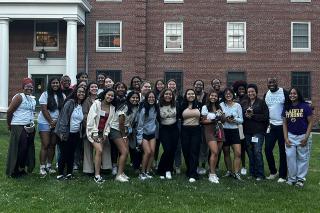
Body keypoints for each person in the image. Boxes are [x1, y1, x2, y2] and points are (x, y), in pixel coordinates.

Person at [6, 78, 36, 177]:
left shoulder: (32, 99)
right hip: (18, 125)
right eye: (27, 86)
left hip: (29, 126)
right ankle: (14, 170)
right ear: (23, 87)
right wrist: (9, 124)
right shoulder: (19, 97)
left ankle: (22, 168)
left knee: (27, 148)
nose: (29, 88)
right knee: (20, 148)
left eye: (31, 87)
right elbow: (9, 111)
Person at [282, 88, 313, 187]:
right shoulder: (287, 107)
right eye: (290, 93)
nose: (292, 95)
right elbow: (284, 123)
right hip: (291, 135)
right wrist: (286, 138)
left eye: (294, 93)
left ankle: (300, 179)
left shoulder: (305, 106)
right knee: (290, 157)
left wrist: (306, 138)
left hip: (302, 135)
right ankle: (291, 178)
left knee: (302, 158)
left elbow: (311, 122)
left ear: (298, 95)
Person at [55, 86, 86, 180]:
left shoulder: (81, 105)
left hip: (75, 133)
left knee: (71, 154)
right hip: (65, 132)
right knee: (64, 154)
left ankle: (69, 173)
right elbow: (63, 118)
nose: (81, 93)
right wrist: (62, 133)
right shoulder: (70, 103)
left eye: (83, 92)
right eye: (79, 92)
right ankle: (60, 174)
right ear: (75, 92)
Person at [109, 91, 140, 182]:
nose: (135, 99)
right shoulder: (125, 107)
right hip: (116, 130)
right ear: (129, 98)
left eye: (137, 98)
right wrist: (124, 136)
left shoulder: (135, 107)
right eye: (133, 98)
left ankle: (121, 172)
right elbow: (121, 123)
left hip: (125, 131)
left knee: (125, 153)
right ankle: (118, 176)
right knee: (124, 152)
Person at [86, 88, 116, 183]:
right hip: (92, 131)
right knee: (99, 150)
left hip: (102, 134)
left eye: (112, 96)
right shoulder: (96, 104)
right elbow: (90, 119)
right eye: (108, 95)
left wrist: (106, 134)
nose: (110, 97)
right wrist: (94, 133)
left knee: (99, 152)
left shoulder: (112, 108)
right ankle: (97, 175)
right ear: (104, 94)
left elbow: (110, 123)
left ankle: (97, 172)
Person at [38, 77, 65, 176]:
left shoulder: (62, 95)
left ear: (59, 84)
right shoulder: (44, 94)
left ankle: (49, 166)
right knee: (45, 144)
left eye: (57, 83)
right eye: (53, 83)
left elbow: (63, 110)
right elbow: (44, 110)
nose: (55, 85)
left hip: (57, 122)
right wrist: (51, 122)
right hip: (44, 122)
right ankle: (42, 167)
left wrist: (56, 122)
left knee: (53, 144)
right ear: (50, 84)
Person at [242, 84, 269, 181]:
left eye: (252, 91)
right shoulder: (244, 103)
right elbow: (241, 116)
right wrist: (246, 115)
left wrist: (253, 115)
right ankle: (252, 173)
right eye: (249, 92)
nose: (250, 93)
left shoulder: (261, 103)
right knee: (250, 152)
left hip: (258, 132)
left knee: (257, 151)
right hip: (247, 131)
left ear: (256, 92)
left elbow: (265, 117)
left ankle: (260, 174)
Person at [264, 77, 289, 183]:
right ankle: (273, 172)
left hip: (282, 126)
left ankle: (283, 175)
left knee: (283, 151)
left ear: (277, 82)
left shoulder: (284, 92)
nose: (272, 84)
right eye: (270, 82)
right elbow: (265, 109)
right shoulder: (266, 94)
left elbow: (290, 106)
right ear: (267, 84)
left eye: (273, 82)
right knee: (267, 149)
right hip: (271, 125)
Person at [201, 90, 225, 183]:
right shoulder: (205, 107)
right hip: (210, 130)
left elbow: (223, 121)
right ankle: (212, 174)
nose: (213, 97)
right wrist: (214, 119)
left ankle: (212, 171)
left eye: (215, 96)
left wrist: (222, 116)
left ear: (217, 98)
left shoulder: (220, 107)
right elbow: (203, 121)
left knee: (216, 153)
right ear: (209, 96)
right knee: (214, 152)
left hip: (220, 130)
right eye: (212, 95)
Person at [220, 88, 243, 180]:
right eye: (226, 93)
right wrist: (225, 119)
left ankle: (236, 173)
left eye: (230, 93)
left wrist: (234, 120)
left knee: (238, 152)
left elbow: (241, 120)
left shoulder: (237, 105)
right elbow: (219, 117)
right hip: (224, 130)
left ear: (233, 95)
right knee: (226, 152)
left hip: (234, 130)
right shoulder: (221, 105)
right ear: (224, 95)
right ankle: (229, 171)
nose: (228, 95)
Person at [157, 88, 179, 180]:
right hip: (164, 129)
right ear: (163, 95)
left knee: (173, 150)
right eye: (166, 94)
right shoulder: (158, 105)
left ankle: (168, 170)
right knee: (167, 149)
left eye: (170, 94)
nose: (168, 96)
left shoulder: (176, 104)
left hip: (174, 128)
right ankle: (162, 169)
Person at [180, 89, 201, 183]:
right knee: (186, 151)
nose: (191, 95)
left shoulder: (199, 105)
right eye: (188, 94)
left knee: (194, 151)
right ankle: (189, 169)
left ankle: (193, 173)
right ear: (186, 95)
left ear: (195, 95)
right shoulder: (182, 105)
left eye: (192, 94)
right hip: (185, 130)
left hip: (196, 130)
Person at [136, 91, 158, 180]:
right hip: (144, 134)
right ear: (146, 98)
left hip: (152, 133)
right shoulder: (143, 109)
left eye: (153, 97)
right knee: (147, 152)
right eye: (149, 97)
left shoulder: (156, 107)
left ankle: (148, 172)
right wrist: (139, 138)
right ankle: (142, 173)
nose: (151, 99)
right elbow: (139, 125)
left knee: (152, 152)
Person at [110, 82, 128, 176]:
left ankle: (121, 170)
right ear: (115, 89)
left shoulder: (127, 100)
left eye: (122, 87)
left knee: (124, 149)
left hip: (124, 128)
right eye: (118, 87)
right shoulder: (113, 99)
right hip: (114, 126)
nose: (121, 89)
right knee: (114, 148)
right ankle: (114, 166)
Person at [82, 82, 99, 175]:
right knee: (88, 149)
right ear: (89, 89)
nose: (94, 88)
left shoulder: (101, 99)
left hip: (99, 128)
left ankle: (101, 166)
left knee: (99, 148)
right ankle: (88, 169)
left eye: (96, 86)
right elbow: (84, 114)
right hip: (88, 127)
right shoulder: (86, 100)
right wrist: (89, 127)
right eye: (92, 87)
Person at [167, 79, 183, 174]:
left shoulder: (180, 97)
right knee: (168, 145)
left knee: (178, 145)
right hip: (167, 123)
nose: (172, 86)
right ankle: (169, 165)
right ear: (167, 86)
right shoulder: (164, 96)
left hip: (177, 123)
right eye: (170, 84)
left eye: (173, 84)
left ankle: (177, 166)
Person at [233, 80, 248, 176]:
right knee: (239, 147)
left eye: (243, 89)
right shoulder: (236, 99)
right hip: (238, 126)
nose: (241, 90)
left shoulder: (247, 99)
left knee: (244, 148)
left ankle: (243, 166)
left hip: (247, 126)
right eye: (239, 89)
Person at [194, 79, 208, 175]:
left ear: (203, 86)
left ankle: (202, 165)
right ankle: (195, 165)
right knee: (195, 146)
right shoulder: (191, 95)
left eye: (200, 85)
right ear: (194, 86)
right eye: (196, 84)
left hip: (204, 125)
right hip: (193, 124)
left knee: (204, 146)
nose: (198, 86)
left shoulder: (206, 96)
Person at [153, 79, 165, 170]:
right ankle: (155, 162)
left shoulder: (166, 95)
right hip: (155, 123)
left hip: (164, 123)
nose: (160, 86)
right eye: (158, 84)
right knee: (156, 144)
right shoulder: (153, 95)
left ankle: (165, 162)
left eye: (161, 84)